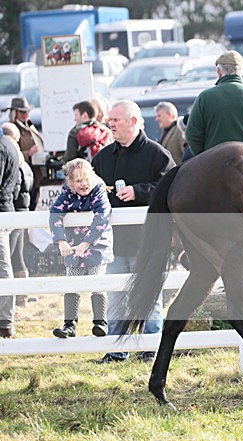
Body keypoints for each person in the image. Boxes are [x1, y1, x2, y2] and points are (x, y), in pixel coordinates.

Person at [92, 100, 175, 363]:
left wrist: (138, 191)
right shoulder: (103, 158)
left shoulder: (158, 155)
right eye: (110, 120)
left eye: (116, 119)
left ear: (133, 121)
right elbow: (92, 191)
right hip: (115, 242)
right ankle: (117, 350)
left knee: (150, 296)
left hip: (149, 241)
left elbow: (170, 188)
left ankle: (151, 349)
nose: (110, 124)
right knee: (116, 296)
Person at [49, 158, 113, 338]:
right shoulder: (67, 193)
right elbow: (55, 213)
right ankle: (70, 325)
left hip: (97, 244)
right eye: (78, 181)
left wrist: (87, 242)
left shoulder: (98, 189)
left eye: (86, 178)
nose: (83, 184)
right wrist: (61, 241)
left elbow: (103, 215)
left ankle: (101, 323)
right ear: (70, 182)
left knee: (97, 282)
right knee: (72, 284)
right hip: (73, 244)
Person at [185, 51, 243, 155]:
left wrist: (203, 156)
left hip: (215, 162)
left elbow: (192, 134)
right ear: (242, 71)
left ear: (219, 71)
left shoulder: (205, 97)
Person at [1, 122, 33, 307]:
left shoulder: (8, 155)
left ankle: (12, 301)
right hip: (20, 211)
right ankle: (21, 298)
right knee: (16, 257)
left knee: (9, 258)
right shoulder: (21, 159)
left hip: (13, 210)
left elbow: (15, 190)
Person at [4, 97, 45, 210]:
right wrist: (28, 153)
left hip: (35, 174)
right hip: (22, 177)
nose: (26, 114)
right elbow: (10, 153)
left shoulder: (30, 126)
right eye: (22, 111)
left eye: (27, 111)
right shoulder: (11, 128)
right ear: (15, 112)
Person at [0, 126, 20, 338]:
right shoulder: (7, 143)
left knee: (2, 267)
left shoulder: (1, 147)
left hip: (1, 212)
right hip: (6, 208)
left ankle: (5, 320)